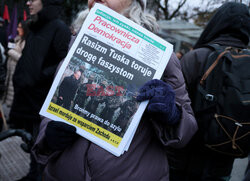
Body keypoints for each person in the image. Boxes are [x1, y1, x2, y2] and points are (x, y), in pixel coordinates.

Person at [32, 0, 197, 180]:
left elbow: (187, 130)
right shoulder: (75, 45)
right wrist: (48, 138)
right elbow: (53, 109)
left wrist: (173, 116)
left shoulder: (161, 56)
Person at [167, 2, 250, 181]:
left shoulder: (197, 57)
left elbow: (171, 104)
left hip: (183, 162)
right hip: (223, 164)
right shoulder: (247, 63)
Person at [8, 0, 71, 180]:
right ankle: (32, 174)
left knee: (41, 144)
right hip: (28, 100)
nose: (28, 2)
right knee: (33, 144)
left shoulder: (59, 28)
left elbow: (64, 63)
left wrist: (40, 76)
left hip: (41, 101)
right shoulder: (36, 27)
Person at [2, 21, 28, 119]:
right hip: (10, 72)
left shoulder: (25, 42)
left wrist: (10, 52)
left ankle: (10, 117)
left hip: (16, 73)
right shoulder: (17, 39)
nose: (17, 29)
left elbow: (23, 58)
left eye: (20, 27)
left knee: (12, 97)